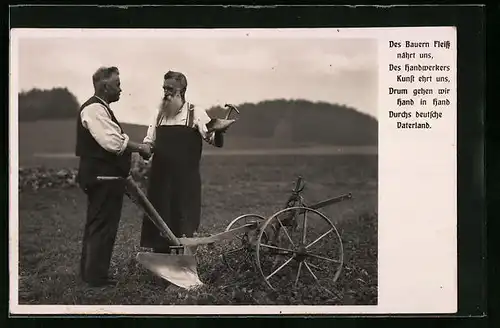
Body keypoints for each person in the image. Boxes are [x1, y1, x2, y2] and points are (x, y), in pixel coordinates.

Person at [139, 70, 232, 254]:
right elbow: (149, 141)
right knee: (160, 225)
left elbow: (212, 138)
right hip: (160, 183)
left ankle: (183, 267)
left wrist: (220, 130)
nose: (166, 92)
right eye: (164, 88)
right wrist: (142, 150)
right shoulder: (158, 114)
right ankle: (162, 269)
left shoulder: (195, 113)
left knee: (184, 227)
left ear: (182, 90)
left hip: (185, 183)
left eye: (170, 88)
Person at [75, 66, 152, 287]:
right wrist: (141, 148)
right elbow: (113, 142)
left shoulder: (101, 109)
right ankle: (96, 278)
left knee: (97, 224)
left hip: (103, 177)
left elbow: (115, 138)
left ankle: (90, 274)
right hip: (103, 178)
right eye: (117, 84)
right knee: (103, 226)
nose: (121, 89)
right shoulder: (94, 110)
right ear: (104, 86)